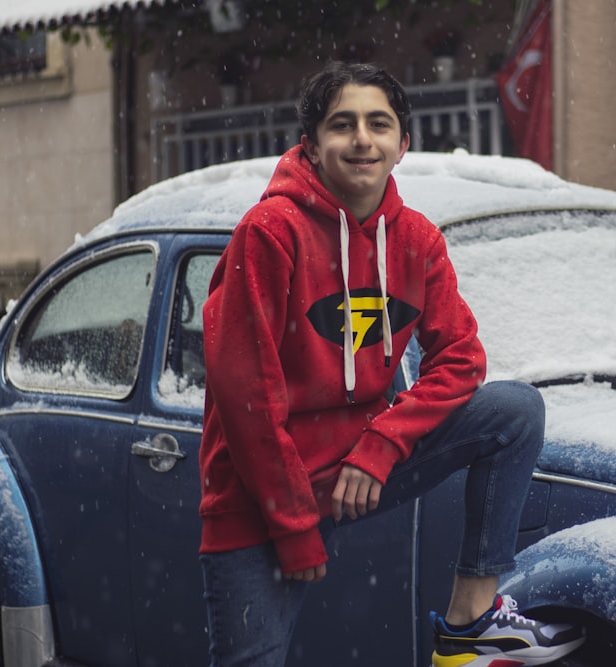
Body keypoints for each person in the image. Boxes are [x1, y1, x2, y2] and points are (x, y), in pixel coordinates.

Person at [198, 60, 585, 667]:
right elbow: (246, 395)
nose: (361, 139)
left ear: (402, 144)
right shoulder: (269, 233)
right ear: (311, 142)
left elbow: (461, 358)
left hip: (358, 468)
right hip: (262, 495)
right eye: (342, 124)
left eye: (379, 124)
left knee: (514, 412)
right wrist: (295, 526)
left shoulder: (417, 241)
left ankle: (470, 623)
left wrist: (382, 445)